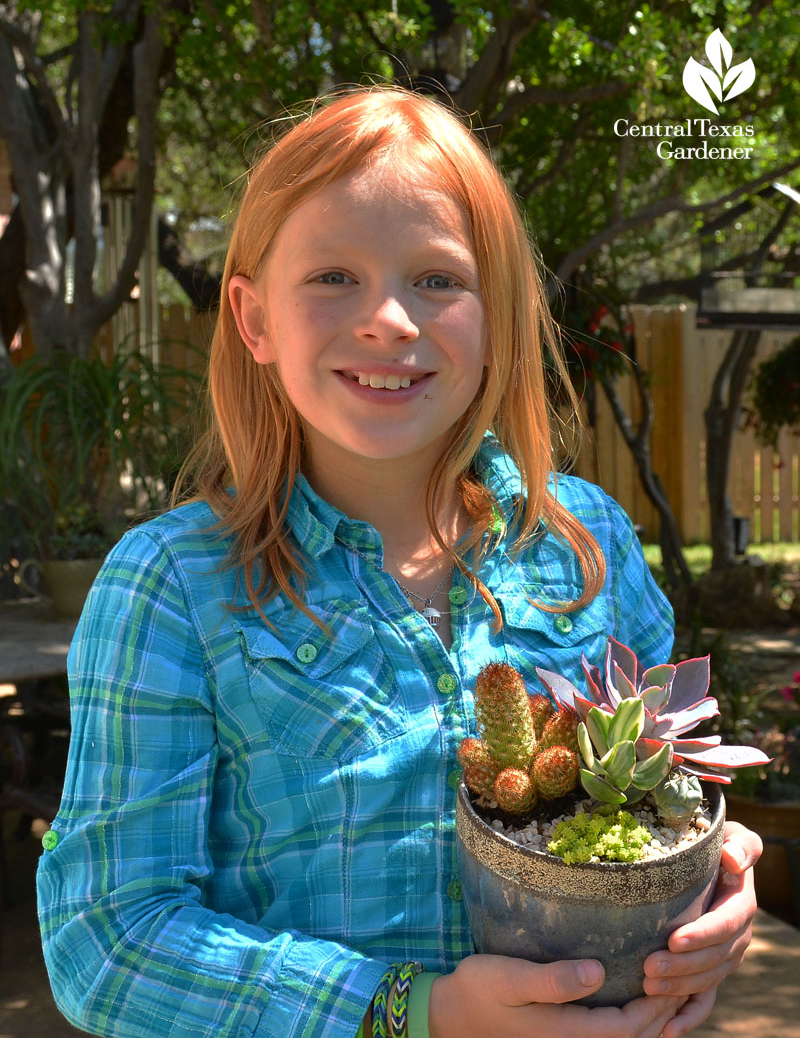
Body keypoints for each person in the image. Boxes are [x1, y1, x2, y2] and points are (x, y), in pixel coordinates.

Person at [37, 85, 761, 1038]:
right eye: (333, 276)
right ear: (254, 320)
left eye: (437, 279)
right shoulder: (172, 587)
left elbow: (673, 806)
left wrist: (711, 890)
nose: (388, 319)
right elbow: (107, 938)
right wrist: (412, 1012)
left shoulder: (590, 548)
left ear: (497, 314)